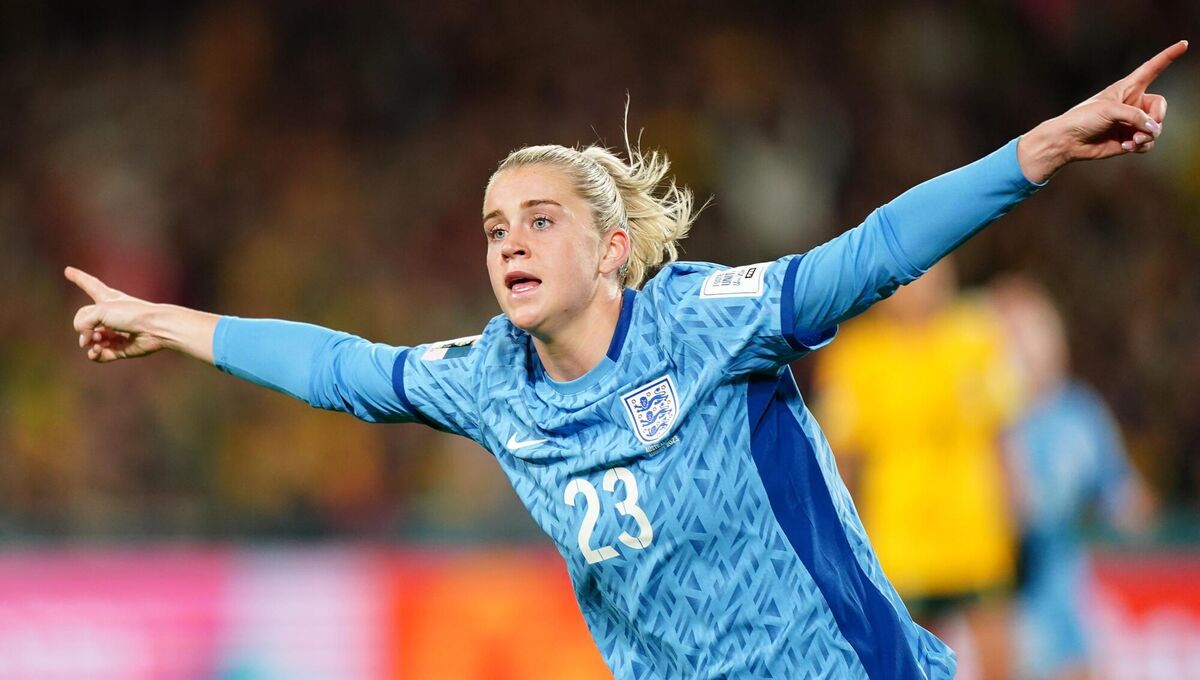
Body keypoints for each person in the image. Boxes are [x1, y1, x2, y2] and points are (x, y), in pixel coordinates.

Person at [65, 42, 1186, 679]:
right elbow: (341, 369)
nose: (509, 240)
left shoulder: (710, 322)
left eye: (540, 219)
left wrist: (1037, 151)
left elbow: (873, 253)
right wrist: (168, 322)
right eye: (496, 224)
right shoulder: (490, 377)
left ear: (610, 250)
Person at [812, 257, 1021, 680]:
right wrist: (840, 541)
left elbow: (1002, 434)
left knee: (1000, 658)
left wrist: (1015, 505)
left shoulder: (976, 335)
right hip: (900, 537)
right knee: (911, 664)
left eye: (938, 271)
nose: (925, 285)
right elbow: (843, 461)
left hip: (975, 531)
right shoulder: (858, 356)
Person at [990, 276, 1156, 680]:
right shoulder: (986, 423)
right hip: (999, 602)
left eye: (1037, 330)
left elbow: (1123, 495)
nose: (1027, 346)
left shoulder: (1080, 413)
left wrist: (1131, 507)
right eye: (1013, 333)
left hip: (1067, 594)